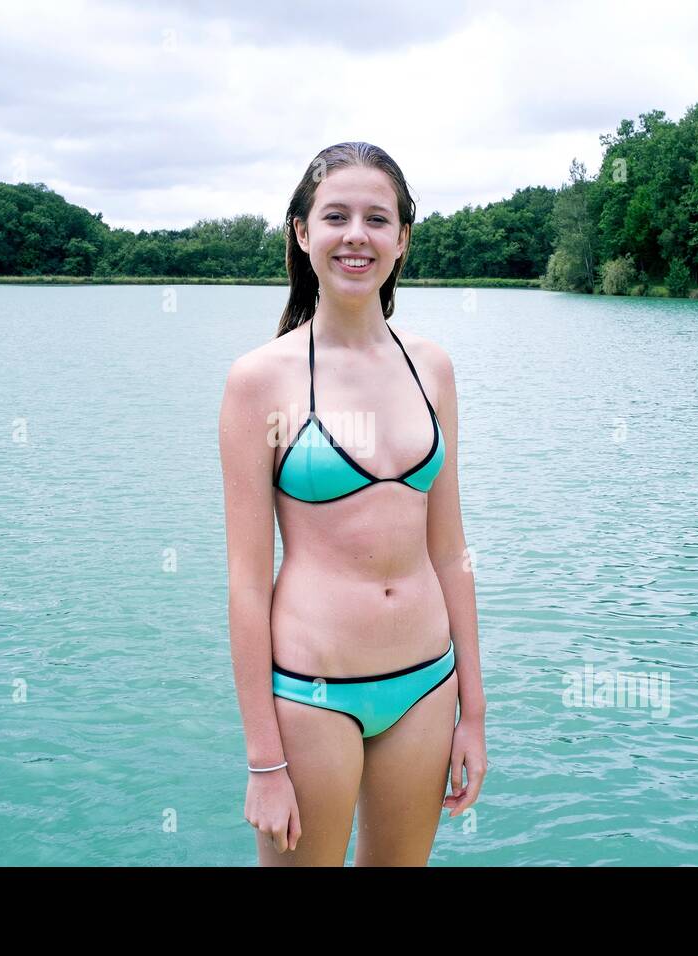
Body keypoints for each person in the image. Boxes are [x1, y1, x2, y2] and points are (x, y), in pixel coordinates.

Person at [219, 142, 486, 866]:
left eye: (378, 218)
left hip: (428, 683)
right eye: (335, 216)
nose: (356, 235)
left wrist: (475, 714)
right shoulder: (260, 382)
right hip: (313, 693)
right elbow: (247, 580)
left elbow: (449, 549)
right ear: (302, 233)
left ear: (402, 239)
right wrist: (263, 761)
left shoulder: (432, 368)